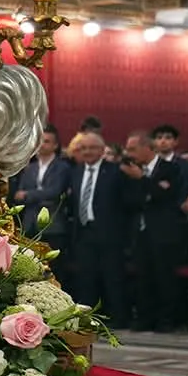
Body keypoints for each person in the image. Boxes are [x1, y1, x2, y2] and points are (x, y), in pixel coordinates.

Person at [119, 130, 188, 333]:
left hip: (164, 232)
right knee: (143, 276)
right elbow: (130, 200)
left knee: (164, 276)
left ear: (147, 148)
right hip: (140, 232)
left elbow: (165, 195)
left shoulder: (170, 168)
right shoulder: (129, 171)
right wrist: (147, 189)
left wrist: (143, 180)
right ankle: (145, 318)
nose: (129, 154)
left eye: (133, 149)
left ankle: (166, 319)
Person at [64, 133, 128, 327]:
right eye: (84, 148)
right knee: (86, 277)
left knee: (112, 277)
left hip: (109, 233)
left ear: (102, 150)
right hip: (84, 232)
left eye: (92, 148)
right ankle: (88, 319)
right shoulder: (75, 172)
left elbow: (124, 203)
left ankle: (118, 318)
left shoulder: (116, 171)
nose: (88, 152)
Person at [10, 123, 71, 243]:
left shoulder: (62, 167)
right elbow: (19, 194)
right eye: (40, 141)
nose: (42, 144)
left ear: (55, 145)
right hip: (29, 225)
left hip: (52, 226)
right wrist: (31, 195)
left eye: (46, 141)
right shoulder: (30, 168)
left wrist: (28, 195)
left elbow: (54, 192)